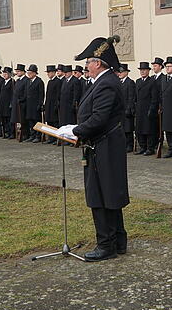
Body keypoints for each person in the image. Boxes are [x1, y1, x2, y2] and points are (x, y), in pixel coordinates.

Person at [72, 36, 129, 262]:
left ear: (98, 62)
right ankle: (118, 240)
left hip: (103, 146)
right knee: (110, 192)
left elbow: (99, 118)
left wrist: (74, 131)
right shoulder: (103, 82)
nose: (86, 66)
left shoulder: (106, 83)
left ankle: (106, 245)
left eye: (88, 62)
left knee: (101, 194)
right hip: (103, 144)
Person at [134, 61, 160, 156]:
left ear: (148, 71)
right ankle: (142, 147)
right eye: (141, 70)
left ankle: (150, 148)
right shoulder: (138, 81)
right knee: (140, 129)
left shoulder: (152, 82)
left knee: (149, 129)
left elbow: (154, 98)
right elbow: (135, 96)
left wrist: (152, 109)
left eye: (144, 70)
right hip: (140, 109)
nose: (142, 72)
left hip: (148, 108)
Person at [117, 64, 136, 152]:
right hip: (120, 109)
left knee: (128, 129)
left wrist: (129, 108)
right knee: (121, 128)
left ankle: (130, 145)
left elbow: (131, 97)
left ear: (126, 73)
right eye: (119, 72)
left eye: (121, 72)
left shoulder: (130, 82)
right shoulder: (118, 82)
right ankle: (123, 144)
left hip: (127, 109)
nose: (120, 73)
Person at [24, 64, 45, 143]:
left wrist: (40, 104)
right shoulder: (28, 81)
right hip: (29, 105)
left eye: (30, 73)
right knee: (30, 120)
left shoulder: (39, 81)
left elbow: (41, 94)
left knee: (36, 121)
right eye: (28, 73)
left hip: (35, 105)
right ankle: (32, 135)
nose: (29, 74)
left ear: (35, 73)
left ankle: (38, 136)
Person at [43, 64, 63, 143]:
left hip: (54, 105)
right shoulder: (50, 82)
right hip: (48, 105)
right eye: (47, 72)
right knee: (49, 122)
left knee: (55, 122)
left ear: (54, 72)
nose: (48, 74)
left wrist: (56, 105)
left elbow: (58, 94)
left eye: (49, 72)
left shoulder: (58, 81)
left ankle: (55, 138)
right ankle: (51, 138)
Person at [58, 65, 80, 134]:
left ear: (71, 72)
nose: (65, 74)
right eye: (64, 72)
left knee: (70, 123)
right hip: (63, 105)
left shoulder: (75, 81)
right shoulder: (64, 81)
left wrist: (74, 105)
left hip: (70, 105)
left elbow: (76, 94)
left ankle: (71, 137)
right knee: (64, 122)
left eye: (66, 72)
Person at [10, 64, 29, 141]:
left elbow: (25, 92)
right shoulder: (18, 80)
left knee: (23, 120)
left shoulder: (26, 80)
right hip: (16, 103)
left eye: (18, 71)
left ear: (23, 72)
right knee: (16, 119)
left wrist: (21, 99)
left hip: (22, 103)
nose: (17, 73)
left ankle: (25, 134)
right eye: (16, 71)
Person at [0, 67, 15, 139]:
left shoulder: (12, 82)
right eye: (4, 73)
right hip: (3, 103)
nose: (4, 75)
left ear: (9, 74)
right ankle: (6, 132)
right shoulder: (3, 82)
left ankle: (11, 133)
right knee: (4, 119)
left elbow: (13, 93)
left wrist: (11, 102)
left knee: (9, 119)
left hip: (8, 103)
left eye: (6, 73)